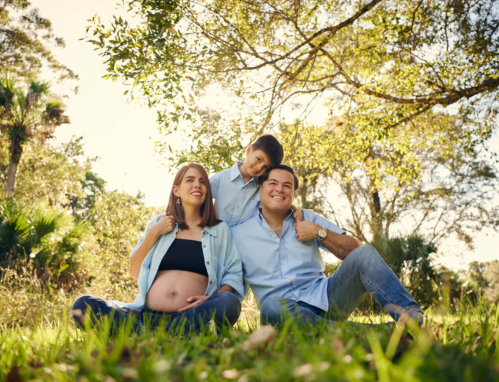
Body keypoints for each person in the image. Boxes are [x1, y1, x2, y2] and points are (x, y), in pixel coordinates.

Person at [230, 165, 425, 327]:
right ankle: (379, 332)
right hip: (282, 312)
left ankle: (413, 319)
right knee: (271, 305)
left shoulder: (308, 218)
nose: (280, 189)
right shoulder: (239, 234)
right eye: (273, 183)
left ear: (292, 193)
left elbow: (353, 251)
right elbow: (230, 278)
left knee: (365, 253)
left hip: (327, 299)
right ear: (260, 189)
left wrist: (318, 232)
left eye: (287, 185)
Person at [71, 163, 244, 333]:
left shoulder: (218, 230)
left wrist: (211, 299)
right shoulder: (158, 223)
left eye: (202, 181)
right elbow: (134, 271)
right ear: (176, 190)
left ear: (207, 190)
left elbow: (233, 272)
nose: (197, 184)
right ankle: (168, 333)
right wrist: (154, 233)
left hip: (189, 315)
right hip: (144, 315)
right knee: (83, 304)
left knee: (229, 302)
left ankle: (148, 333)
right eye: (190, 180)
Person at [210, 134, 284, 228]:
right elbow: (198, 200)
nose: (259, 167)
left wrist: (297, 211)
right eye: (258, 159)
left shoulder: (262, 189)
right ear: (249, 150)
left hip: (242, 241)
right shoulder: (221, 178)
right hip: (215, 237)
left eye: (266, 167)